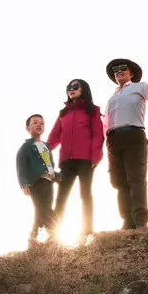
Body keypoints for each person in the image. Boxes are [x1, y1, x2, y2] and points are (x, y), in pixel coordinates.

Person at [103, 58, 148, 229]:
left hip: (133, 134)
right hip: (113, 139)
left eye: (123, 68)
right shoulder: (112, 97)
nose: (118, 71)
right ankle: (127, 221)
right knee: (119, 182)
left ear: (131, 73)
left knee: (136, 178)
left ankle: (141, 220)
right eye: (115, 69)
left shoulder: (139, 87)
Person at [46, 79, 103, 240]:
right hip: (66, 161)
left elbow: (98, 135)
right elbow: (54, 137)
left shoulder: (92, 110)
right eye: (69, 87)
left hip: (86, 160)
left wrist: (96, 156)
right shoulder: (63, 113)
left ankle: (87, 230)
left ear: (83, 89)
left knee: (85, 194)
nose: (71, 90)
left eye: (75, 87)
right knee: (62, 196)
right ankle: (53, 234)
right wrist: (43, 151)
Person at [16, 114, 59, 245]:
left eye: (42, 123)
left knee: (44, 209)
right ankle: (52, 234)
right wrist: (24, 184)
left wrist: (56, 175)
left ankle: (35, 236)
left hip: (48, 181)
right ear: (27, 128)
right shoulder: (26, 146)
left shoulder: (45, 146)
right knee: (43, 209)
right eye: (35, 122)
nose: (39, 124)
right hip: (35, 182)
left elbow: (49, 165)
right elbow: (21, 166)